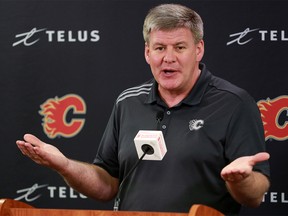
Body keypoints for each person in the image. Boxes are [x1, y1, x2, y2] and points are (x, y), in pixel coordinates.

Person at [16, 3, 270, 215]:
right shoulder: (128, 101)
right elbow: (107, 185)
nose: (168, 58)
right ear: (147, 53)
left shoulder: (234, 103)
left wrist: (242, 180)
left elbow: (255, 196)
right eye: (160, 48)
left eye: (179, 47)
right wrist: (64, 165)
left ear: (198, 50)